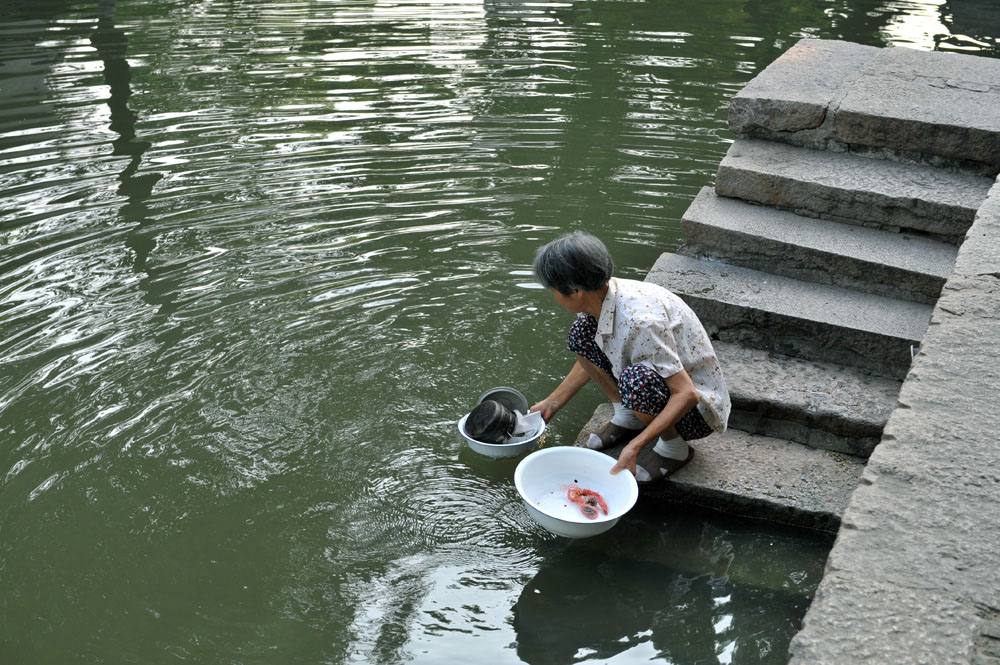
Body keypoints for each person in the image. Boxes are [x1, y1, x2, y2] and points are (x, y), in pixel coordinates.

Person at [529, 231, 730, 483]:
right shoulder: (601, 295)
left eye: (554, 291)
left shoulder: (640, 322)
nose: (554, 297)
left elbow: (687, 394)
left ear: (576, 291)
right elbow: (593, 349)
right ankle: (628, 414)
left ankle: (674, 447)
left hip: (697, 411)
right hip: (662, 390)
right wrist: (551, 403)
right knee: (580, 334)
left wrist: (635, 446)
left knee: (636, 381)